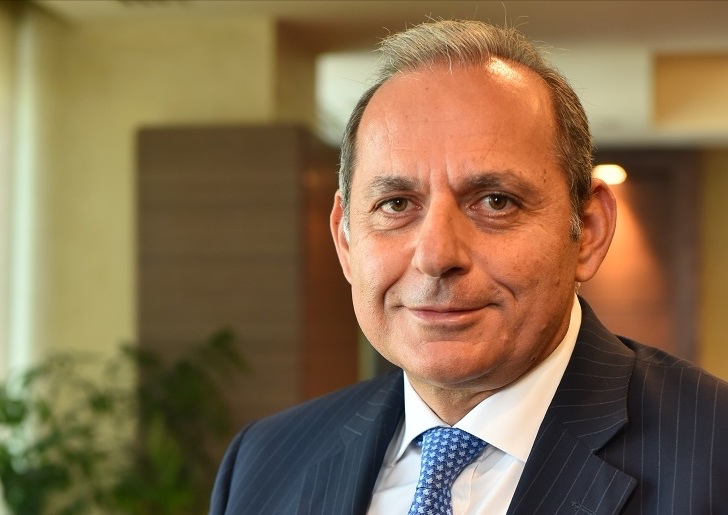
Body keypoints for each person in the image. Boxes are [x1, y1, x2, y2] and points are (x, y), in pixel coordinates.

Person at [209, 19, 728, 515]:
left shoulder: (714, 456)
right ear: (346, 239)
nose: (437, 257)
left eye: (495, 202)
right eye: (396, 204)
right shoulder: (264, 461)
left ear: (588, 231)